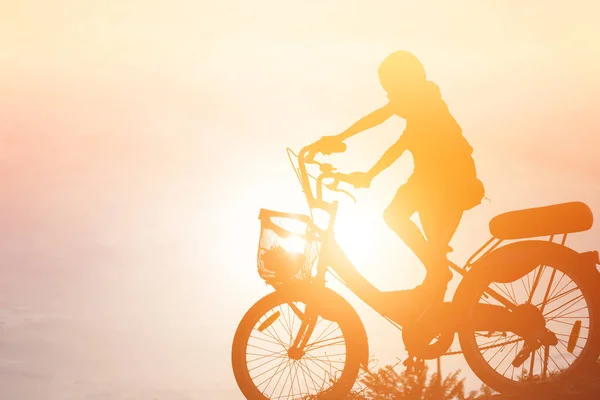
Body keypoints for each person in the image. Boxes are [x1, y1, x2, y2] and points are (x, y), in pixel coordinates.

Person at [318, 50, 485, 312]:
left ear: (405, 81)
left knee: (402, 222)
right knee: (430, 250)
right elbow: (397, 147)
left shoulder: (426, 97)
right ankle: (432, 312)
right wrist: (369, 175)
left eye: (389, 87)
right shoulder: (420, 115)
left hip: (448, 179)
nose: (387, 94)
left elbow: (380, 116)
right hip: (434, 180)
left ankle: (436, 279)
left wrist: (340, 137)